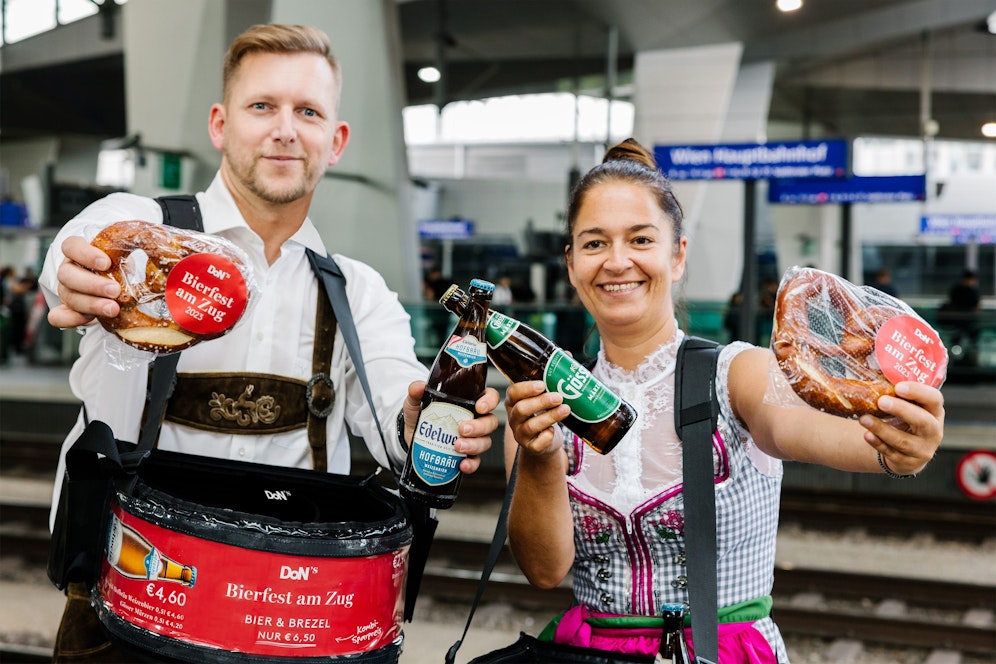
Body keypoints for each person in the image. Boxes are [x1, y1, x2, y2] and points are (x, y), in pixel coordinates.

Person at [39, 23, 499, 662]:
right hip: (124, 615)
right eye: (262, 106)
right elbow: (75, 249)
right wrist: (73, 274)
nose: (285, 128)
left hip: (286, 621)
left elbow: (400, 409)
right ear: (220, 125)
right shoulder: (138, 232)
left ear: (335, 141)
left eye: (307, 111)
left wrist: (425, 422)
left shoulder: (357, 293)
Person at [500, 139, 944, 662]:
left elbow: (815, 433)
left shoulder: (737, 374)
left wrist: (897, 447)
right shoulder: (539, 403)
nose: (617, 262)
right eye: (595, 244)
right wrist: (540, 455)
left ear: (678, 254)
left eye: (641, 239)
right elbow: (545, 571)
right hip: (585, 653)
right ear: (571, 264)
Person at [938, 268, 982, 362]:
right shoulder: (971, 291)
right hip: (962, 320)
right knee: (964, 337)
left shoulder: (959, 290)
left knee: (960, 338)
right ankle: (964, 354)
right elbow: (976, 307)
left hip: (960, 320)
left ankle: (959, 354)